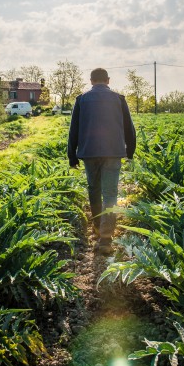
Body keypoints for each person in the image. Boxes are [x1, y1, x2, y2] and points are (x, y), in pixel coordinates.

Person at [67, 67, 136, 255]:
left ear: (91, 81)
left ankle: (97, 230)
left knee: (94, 190)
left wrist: (72, 156)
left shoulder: (81, 100)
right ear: (108, 80)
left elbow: (73, 130)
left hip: (89, 152)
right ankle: (106, 239)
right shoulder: (119, 99)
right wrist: (130, 152)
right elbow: (129, 128)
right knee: (111, 194)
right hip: (113, 152)